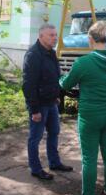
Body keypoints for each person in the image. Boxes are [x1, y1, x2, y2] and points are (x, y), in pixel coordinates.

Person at [60, 21, 106, 195]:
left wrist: (61, 77)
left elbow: (66, 84)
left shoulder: (83, 63)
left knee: (89, 158)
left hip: (90, 116)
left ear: (91, 40)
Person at [22, 23, 73, 180]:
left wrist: (57, 95)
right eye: (51, 35)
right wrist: (34, 110)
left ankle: (54, 162)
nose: (55, 37)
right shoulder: (33, 55)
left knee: (54, 133)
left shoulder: (50, 52)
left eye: (55, 35)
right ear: (41, 36)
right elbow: (28, 85)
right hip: (39, 105)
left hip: (51, 103)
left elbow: (54, 77)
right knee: (35, 137)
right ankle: (36, 169)